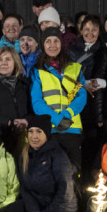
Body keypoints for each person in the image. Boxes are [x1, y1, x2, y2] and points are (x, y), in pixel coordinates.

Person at [14, 115, 78, 212]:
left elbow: (65, 192)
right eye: (31, 131)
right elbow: (24, 187)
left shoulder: (57, 154)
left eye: (39, 131)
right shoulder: (25, 154)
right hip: (40, 207)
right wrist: (33, 210)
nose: (34, 136)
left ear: (47, 134)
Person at [31, 27, 87, 169]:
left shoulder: (75, 68)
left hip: (72, 129)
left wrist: (67, 114)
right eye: (48, 41)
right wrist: (56, 119)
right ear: (43, 45)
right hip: (49, 130)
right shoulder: (37, 71)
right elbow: (37, 103)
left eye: (56, 41)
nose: (52, 45)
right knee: (50, 172)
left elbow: (82, 96)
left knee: (73, 172)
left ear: (61, 44)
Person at [68, 14, 107, 165]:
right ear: (80, 30)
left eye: (94, 29)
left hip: (94, 105)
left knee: (92, 147)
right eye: (86, 29)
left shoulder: (104, 51)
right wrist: (83, 84)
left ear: (99, 31)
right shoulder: (71, 50)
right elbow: (65, 77)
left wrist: (102, 83)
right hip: (74, 101)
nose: (90, 33)